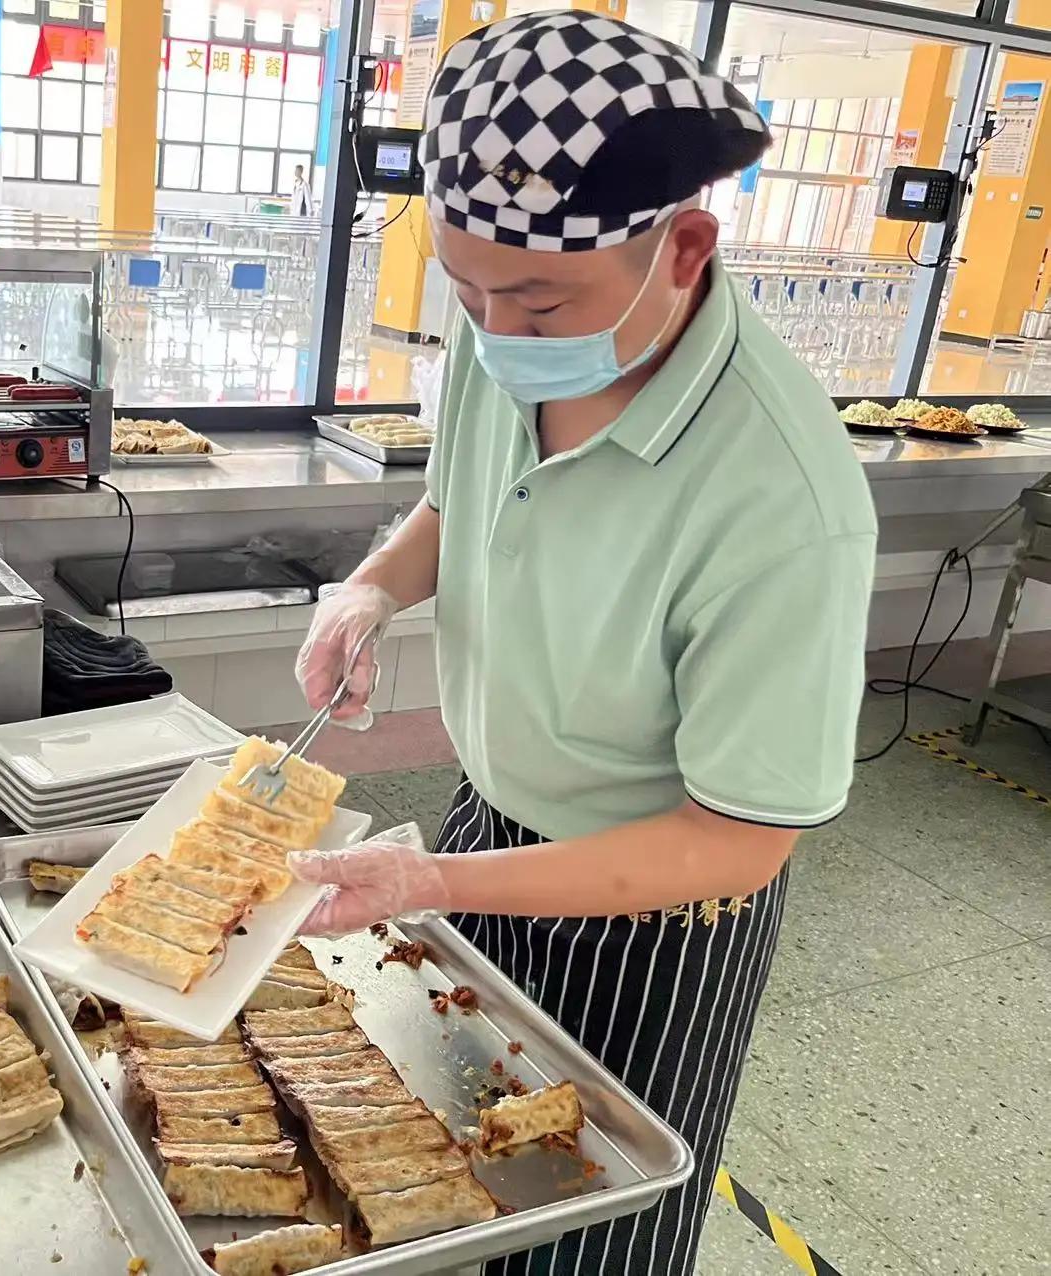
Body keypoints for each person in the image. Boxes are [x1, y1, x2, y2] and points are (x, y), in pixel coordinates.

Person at [288, 13, 875, 1275]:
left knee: (574, 1236)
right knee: (429, 1183)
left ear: (685, 246)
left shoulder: (780, 501)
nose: (499, 332)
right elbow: (453, 503)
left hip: (654, 923)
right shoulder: (506, 349)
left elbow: (737, 835)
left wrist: (433, 887)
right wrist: (369, 590)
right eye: (469, 294)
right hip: (482, 829)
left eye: (540, 300)